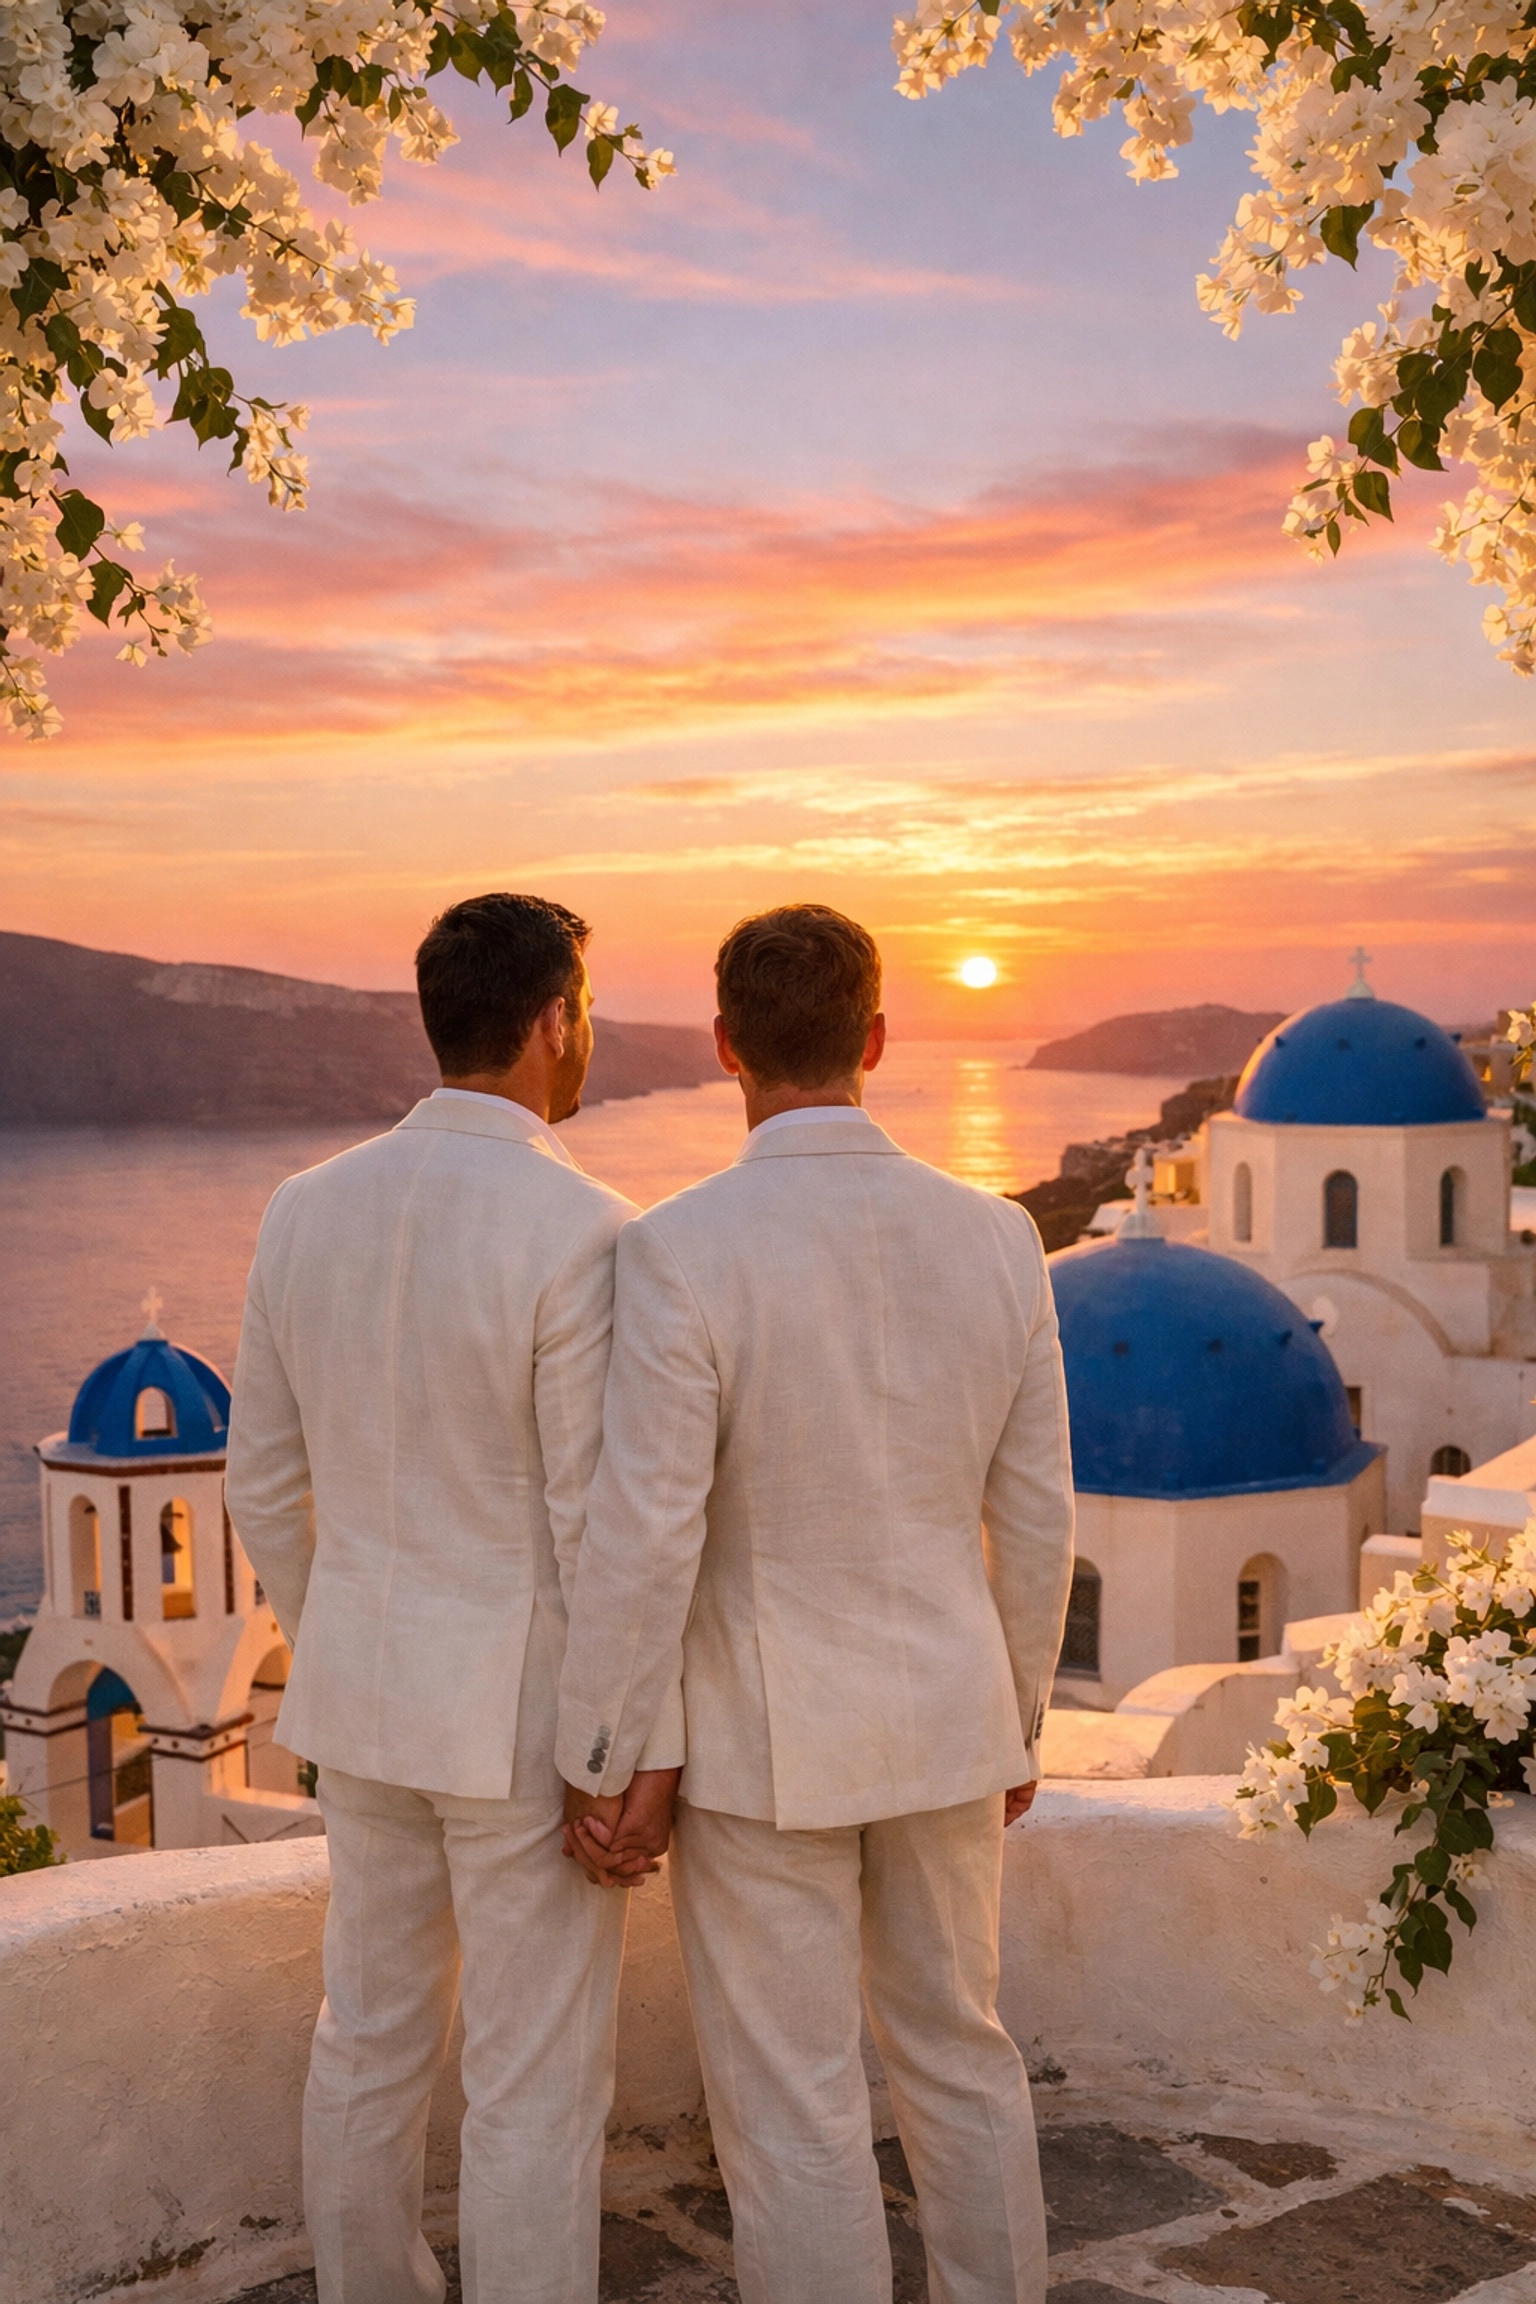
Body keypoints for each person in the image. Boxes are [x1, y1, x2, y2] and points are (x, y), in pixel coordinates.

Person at [557, 902, 1076, 2304]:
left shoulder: (678, 1248)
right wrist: (1017, 1715)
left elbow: (646, 1531)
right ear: (880, 1040)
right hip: (952, 1720)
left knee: (792, 2108)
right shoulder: (999, 1237)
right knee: (961, 2055)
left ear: (727, 1046)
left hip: (761, 1742)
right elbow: (1036, 1516)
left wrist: (613, 1755)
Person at [225, 892, 681, 2304]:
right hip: (521, 1728)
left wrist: (350, 1625)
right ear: (554, 1022)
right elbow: (599, 1519)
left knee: (365, 2034)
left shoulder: (306, 1209)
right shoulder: (590, 1228)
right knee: (534, 2076)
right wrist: (617, 1749)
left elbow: (265, 1483)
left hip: (362, 1704)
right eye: (586, 1010)